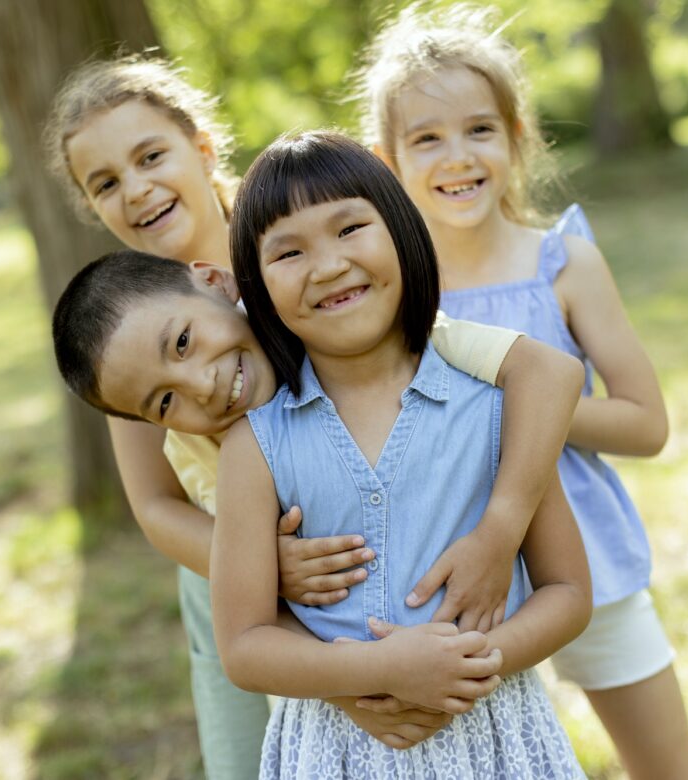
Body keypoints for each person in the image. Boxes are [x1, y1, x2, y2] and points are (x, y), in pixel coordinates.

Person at [44, 54, 585, 775]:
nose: (136, 189)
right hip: (229, 564)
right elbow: (155, 508)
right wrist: (268, 571)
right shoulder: (121, 339)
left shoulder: (303, 262)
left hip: (399, 561)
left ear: (201, 149)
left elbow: (541, 375)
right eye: (105, 183)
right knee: (240, 755)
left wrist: (497, 532)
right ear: (88, 203)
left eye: (149, 157)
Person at [350, 4, 688, 778]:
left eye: (479, 129)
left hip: (591, 563)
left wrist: (530, 403)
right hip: (454, 579)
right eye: (426, 138)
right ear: (387, 161)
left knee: (668, 767)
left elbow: (646, 423)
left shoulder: (563, 263)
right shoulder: (389, 286)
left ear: (517, 137)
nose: (457, 156)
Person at [212, 130, 591, 778]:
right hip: (338, 749)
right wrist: (379, 673)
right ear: (257, 286)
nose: (328, 265)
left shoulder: (494, 408)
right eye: (289, 252)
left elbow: (568, 592)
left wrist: (467, 667)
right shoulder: (256, 446)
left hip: (493, 733)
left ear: (401, 231)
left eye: (350, 228)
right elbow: (245, 646)